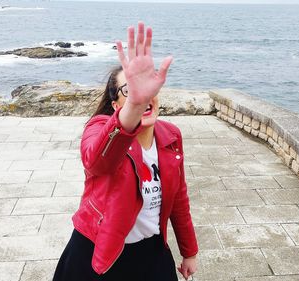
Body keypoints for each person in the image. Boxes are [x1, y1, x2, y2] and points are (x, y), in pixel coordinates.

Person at [53, 22, 198, 281]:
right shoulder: (99, 129)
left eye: (146, 89)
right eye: (128, 91)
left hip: (151, 252)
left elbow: (179, 199)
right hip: (99, 250)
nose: (142, 96)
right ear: (115, 103)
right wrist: (135, 105)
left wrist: (189, 251)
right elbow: (98, 162)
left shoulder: (171, 135)